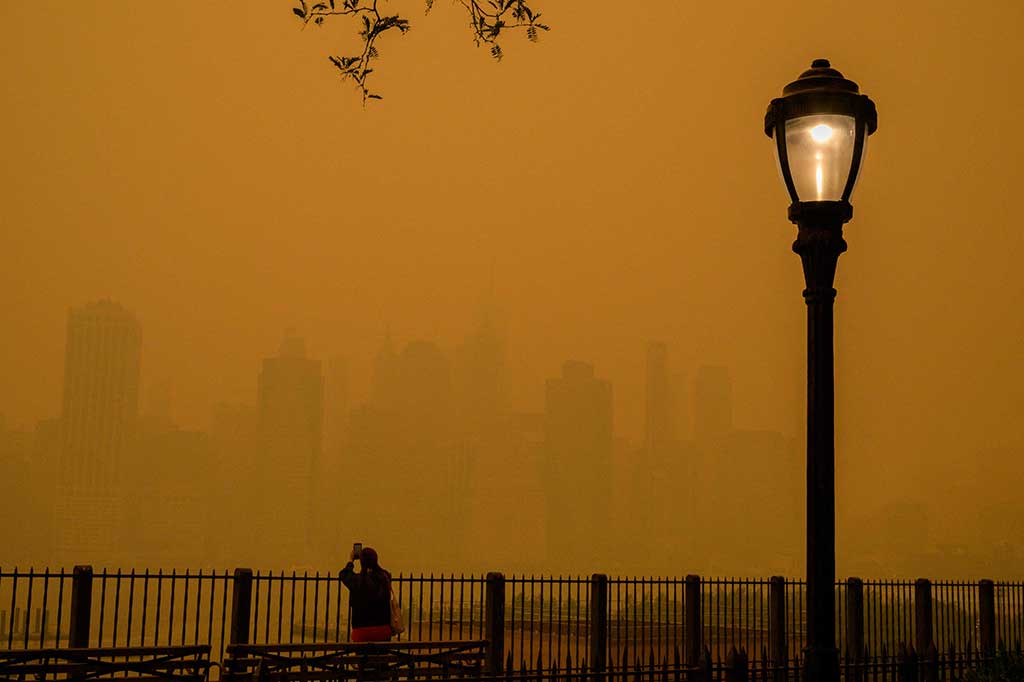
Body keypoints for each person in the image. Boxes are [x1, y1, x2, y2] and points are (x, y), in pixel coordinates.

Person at [341, 546, 393, 642]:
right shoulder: (384, 578)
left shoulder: (357, 581)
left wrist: (351, 560)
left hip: (361, 633)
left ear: (361, 562)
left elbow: (344, 574)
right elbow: (385, 573)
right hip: (383, 632)